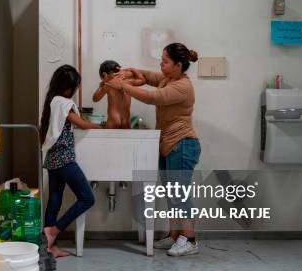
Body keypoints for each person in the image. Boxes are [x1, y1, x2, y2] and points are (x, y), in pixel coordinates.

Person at [105, 43, 201, 257]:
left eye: (165, 61)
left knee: (180, 195)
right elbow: (149, 77)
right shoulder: (169, 78)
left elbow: (152, 98)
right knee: (172, 195)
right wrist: (129, 71)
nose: (161, 63)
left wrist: (122, 86)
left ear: (178, 65)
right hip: (169, 144)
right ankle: (175, 236)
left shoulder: (182, 86)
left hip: (183, 144)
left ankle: (190, 240)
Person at [40, 64, 102, 257]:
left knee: (55, 199)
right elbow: (81, 123)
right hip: (64, 158)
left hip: (52, 157)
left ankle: (49, 246)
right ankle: (54, 230)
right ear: (69, 88)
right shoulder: (63, 102)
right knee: (87, 198)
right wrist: (102, 125)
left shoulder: (52, 100)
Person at [92, 60, 144, 129]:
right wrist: (132, 69)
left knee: (110, 140)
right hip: (126, 121)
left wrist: (101, 85)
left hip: (113, 120)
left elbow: (95, 99)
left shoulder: (108, 85)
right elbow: (143, 80)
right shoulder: (128, 82)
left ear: (104, 74)